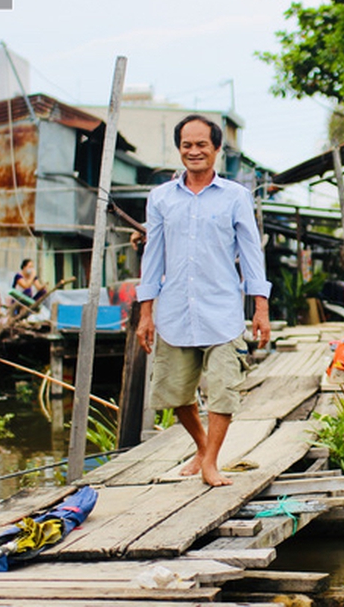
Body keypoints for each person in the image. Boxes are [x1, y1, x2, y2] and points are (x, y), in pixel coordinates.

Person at [136, 114, 271, 487]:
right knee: (177, 393)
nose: (194, 152)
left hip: (222, 310)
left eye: (201, 145)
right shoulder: (161, 198)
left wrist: (260, 307)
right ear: (179, 149)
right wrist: (145, 313)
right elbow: (153, 257)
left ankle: (210, 462)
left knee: (224, 391)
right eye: (187, 145)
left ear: (216, 149)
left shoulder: (236, 197)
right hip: (176, 310)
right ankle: (200, 445)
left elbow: (251, 255)